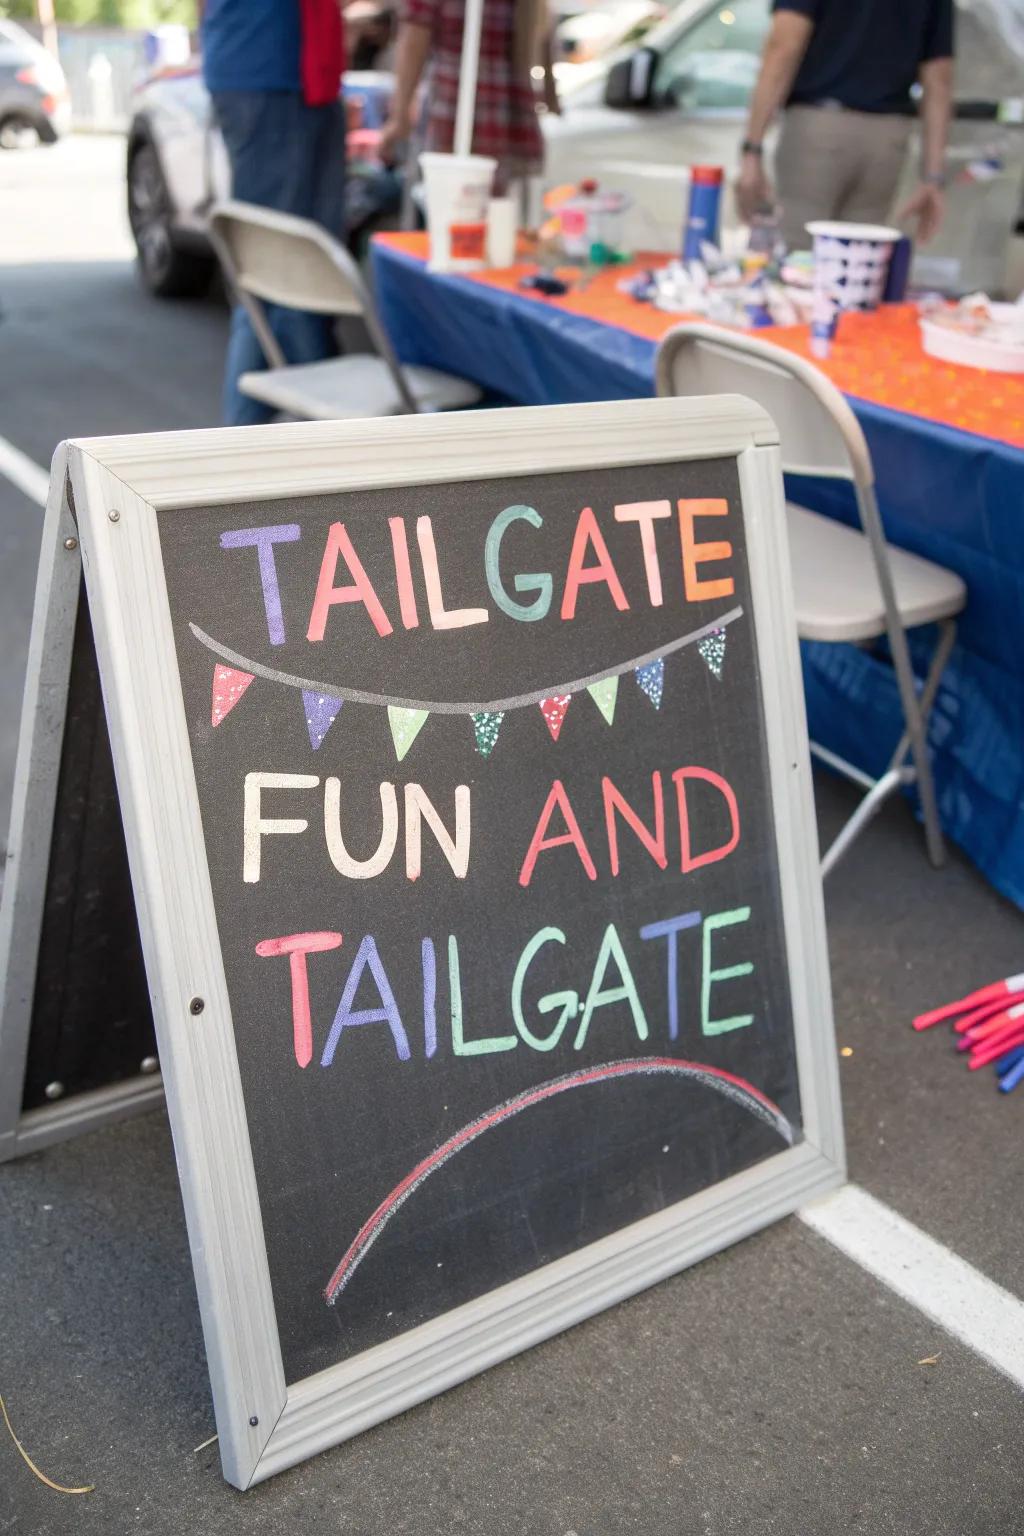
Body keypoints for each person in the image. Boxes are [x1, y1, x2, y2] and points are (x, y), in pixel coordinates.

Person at [201, 0, 347, 425]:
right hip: (277, 74)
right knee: (282, 271)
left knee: (272, 272)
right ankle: (307, 428)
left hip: (265, 68)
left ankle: (248, 436)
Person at [736, 0, 954, 252]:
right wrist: (933, 177)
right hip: (888, 139)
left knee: (798, 256)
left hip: (819, 130)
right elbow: (939, 76)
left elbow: (784, 46)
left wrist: (752, 147)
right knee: (859, 259)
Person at [378, 0, 549, 192]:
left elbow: (415, 37)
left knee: (453, 194)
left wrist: (399, 116)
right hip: (507, 108)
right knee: (494, 199)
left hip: (455, 105)